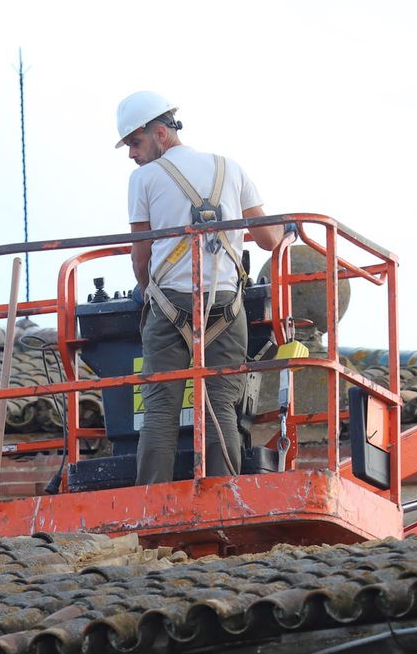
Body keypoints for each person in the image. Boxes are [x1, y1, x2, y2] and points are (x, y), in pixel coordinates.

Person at [117, 90, 288, 485]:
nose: (132, 155)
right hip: (227, 307)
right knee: (221, 406)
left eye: (135, 143)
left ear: (160, 133)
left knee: (160, 410)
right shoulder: (230, 168)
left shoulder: (143, 180)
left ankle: (152, 503)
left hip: (169, 308)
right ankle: (224, 496)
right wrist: (288, 233)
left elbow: (140, 256)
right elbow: (269, 238)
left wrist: (148, 293)